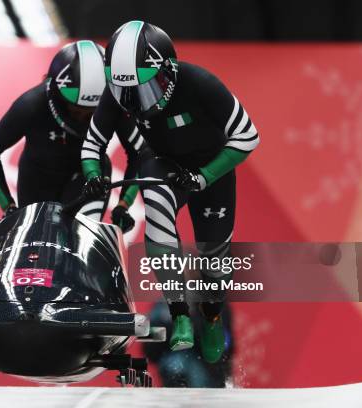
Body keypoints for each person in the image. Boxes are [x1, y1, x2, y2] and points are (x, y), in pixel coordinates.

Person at [81, 21, 259, 363]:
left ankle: (210, 316)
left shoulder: (201, 83)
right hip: (162, 162)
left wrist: (205, 176)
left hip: (212, 169)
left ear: (170, 71)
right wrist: (92, 173)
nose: (136, 103)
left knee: (215, 259)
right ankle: (179, 314)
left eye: (146, 90)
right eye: (125, 93)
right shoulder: (121, 93)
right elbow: (93, 144)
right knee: (158, 221)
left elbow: (248, 137)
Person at [0, 40, 142, 228]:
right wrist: (8, 207)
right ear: (56, 93)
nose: (83, 119)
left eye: (93, 112)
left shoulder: (115, 104)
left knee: (78, 236)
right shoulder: (31, 105)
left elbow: (140, 153)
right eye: (77, 110)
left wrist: (123, 205)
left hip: (88, 177)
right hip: (37, 180)